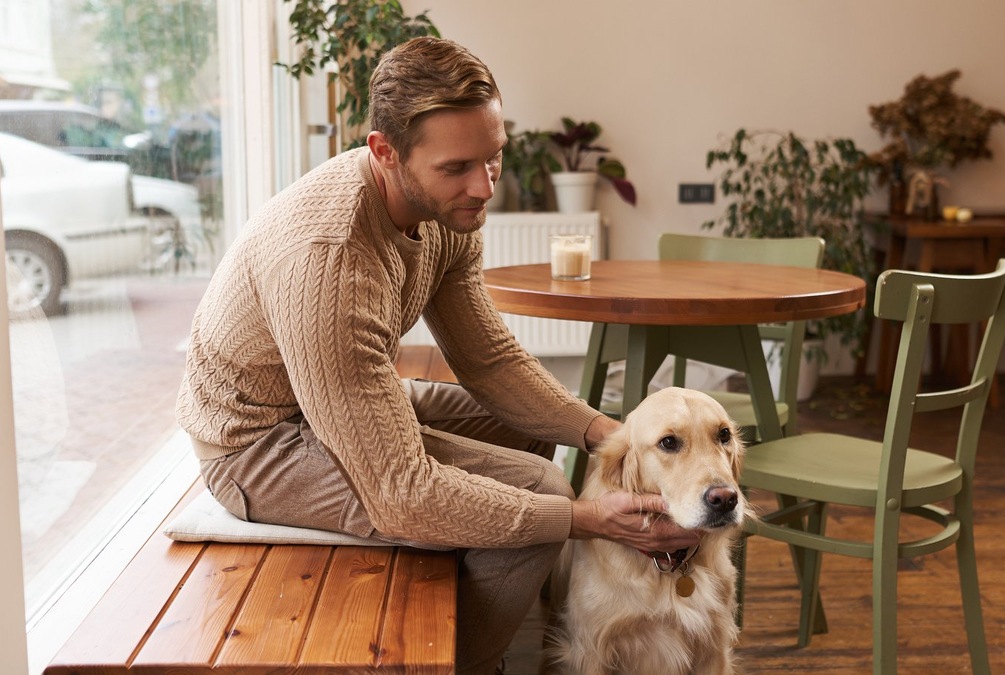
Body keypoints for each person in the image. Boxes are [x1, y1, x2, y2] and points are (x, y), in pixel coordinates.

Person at [176, 36, 698, 674]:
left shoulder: (446, 213)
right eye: (456, 168)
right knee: (539, 488)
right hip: (257, 443)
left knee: (527, 431)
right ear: (385, 153)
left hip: (339, 401)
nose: (483, 186)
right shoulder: (330, 258)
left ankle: (483, 616)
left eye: (494, 158)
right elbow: (401, 493)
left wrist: (615, 438)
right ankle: (461, 664)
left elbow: (491, 362)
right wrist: (588, 518)